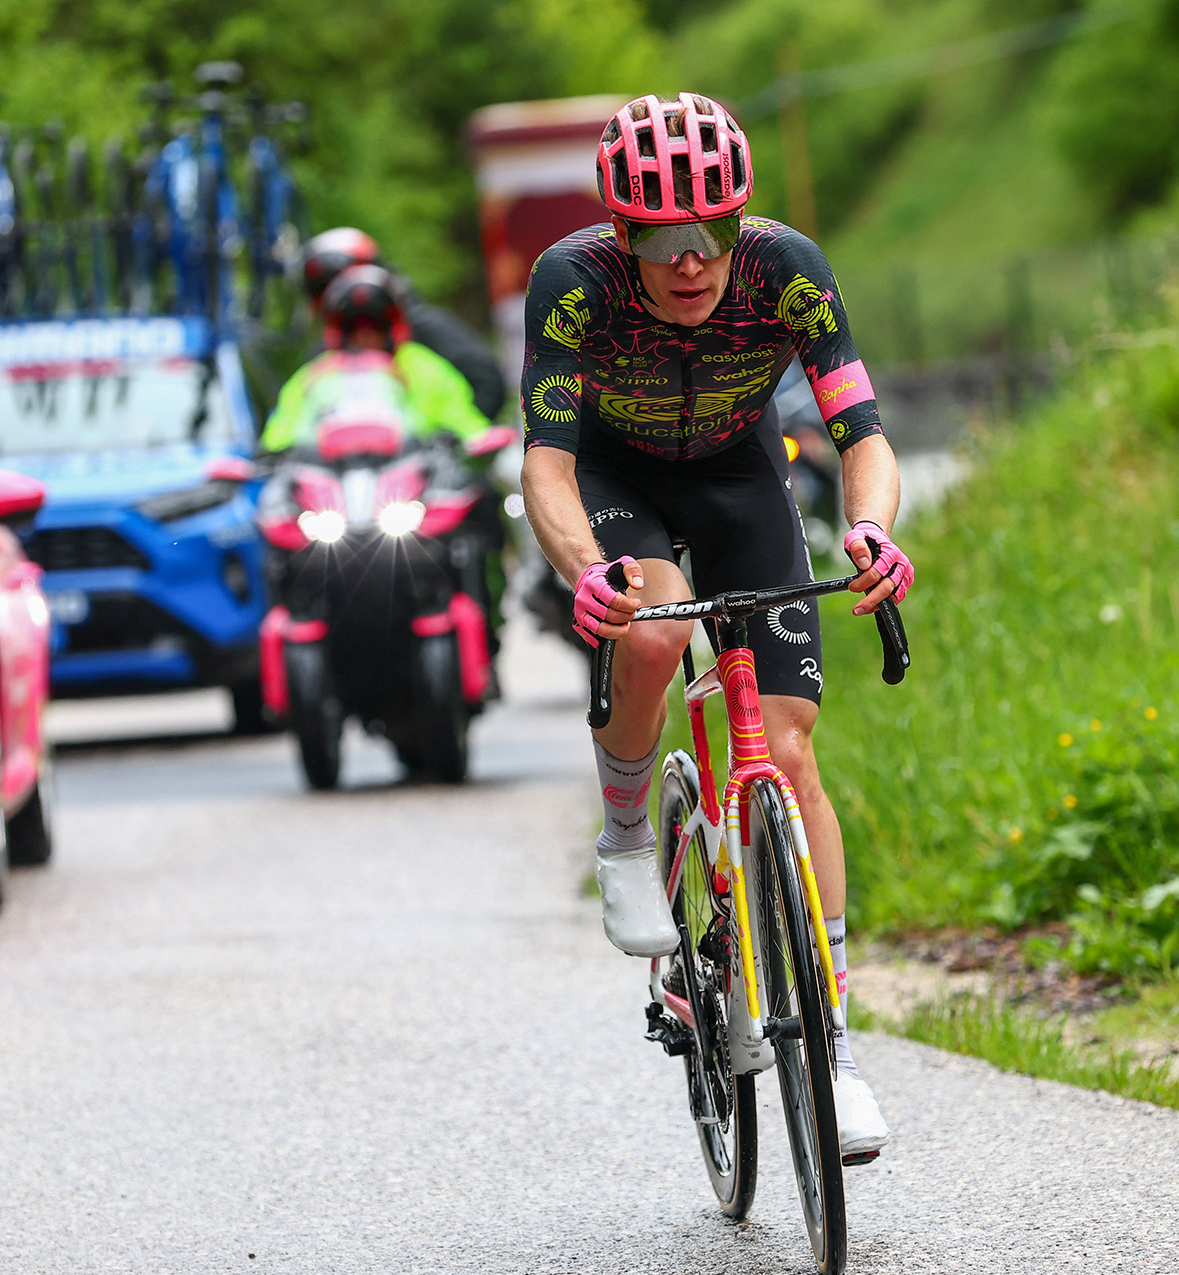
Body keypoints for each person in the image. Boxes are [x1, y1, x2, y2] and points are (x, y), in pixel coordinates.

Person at [517, 92, 914, 1161]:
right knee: (648, 633)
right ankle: (625, 832)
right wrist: (582, 569)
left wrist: (869, 531)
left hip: (740, 472)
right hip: (615, 474)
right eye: (667, 240)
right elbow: (545, 467)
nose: (695, 263)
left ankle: (829, 1051)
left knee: (788, 749)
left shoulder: (788, 266)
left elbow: (862, 434)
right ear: (625, 234)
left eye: (716, 234)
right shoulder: (572, 281)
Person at [265, 264, 507, 646]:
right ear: (338, 330)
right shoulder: (314, 377)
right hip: (337, 499)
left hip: (410, 495)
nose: (365, 336)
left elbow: (467, 422)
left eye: (373, 326)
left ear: (391, 325)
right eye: (354, 326)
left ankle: (488, 630)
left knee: (477, 529)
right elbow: (280, 434)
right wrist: (270, 455)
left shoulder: (425, 368)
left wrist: (477, 440)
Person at [294, 227, 509, 420]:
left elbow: (486, 384)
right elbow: (293, 417)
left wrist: (451, 448)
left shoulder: (424, 331)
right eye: (320, 289)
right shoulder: (323, 354)